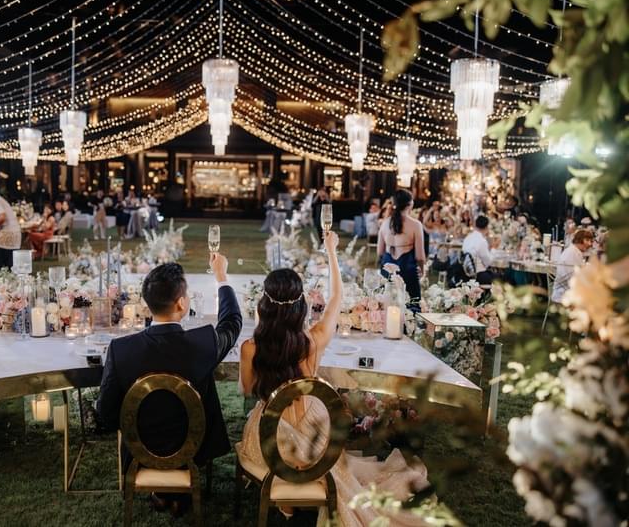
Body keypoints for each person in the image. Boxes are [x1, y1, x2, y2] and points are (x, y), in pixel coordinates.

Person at [237, 231, 429, 525]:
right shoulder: (313, 341)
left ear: (264, 304)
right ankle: (305, 491)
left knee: (259, 424)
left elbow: (246, 389)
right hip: (316, 434)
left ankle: (285, 497)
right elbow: (337, 297)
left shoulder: (251, 347)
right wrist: (331, 252)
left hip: (271, 438)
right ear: (300, 303)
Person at [96, 256, 243, 516]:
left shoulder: (121, 350)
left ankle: (163, 492)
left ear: (146, 303)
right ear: (182, 303)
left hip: (141, 450)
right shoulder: (202, 343)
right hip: (195, 448)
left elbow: (106, 414)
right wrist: (221, 277)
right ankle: (177, 490)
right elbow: (232, 323)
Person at [377, 190, 425, 303]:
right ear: (410, 204)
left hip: (387, 268)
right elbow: (420, 256)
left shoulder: (385, 223)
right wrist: (422, 270)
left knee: (385, 304)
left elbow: (380, 251)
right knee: (411, 304)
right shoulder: (415, 225)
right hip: (407, 269)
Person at [551, 229, 594, 303]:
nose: (590, 244)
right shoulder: (573, 253)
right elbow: (575, 279)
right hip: (564, 295)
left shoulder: (573, 251)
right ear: (579, 240)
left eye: (591, 241)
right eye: (587, 240)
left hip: (562, 291)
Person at [462, 215, 495, 285]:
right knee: (502, 278)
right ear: (486, 227)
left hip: (465, 273)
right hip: (479, 275)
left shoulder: (467, 238)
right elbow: (488, 262)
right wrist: (492, 248)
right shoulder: (482, 241)